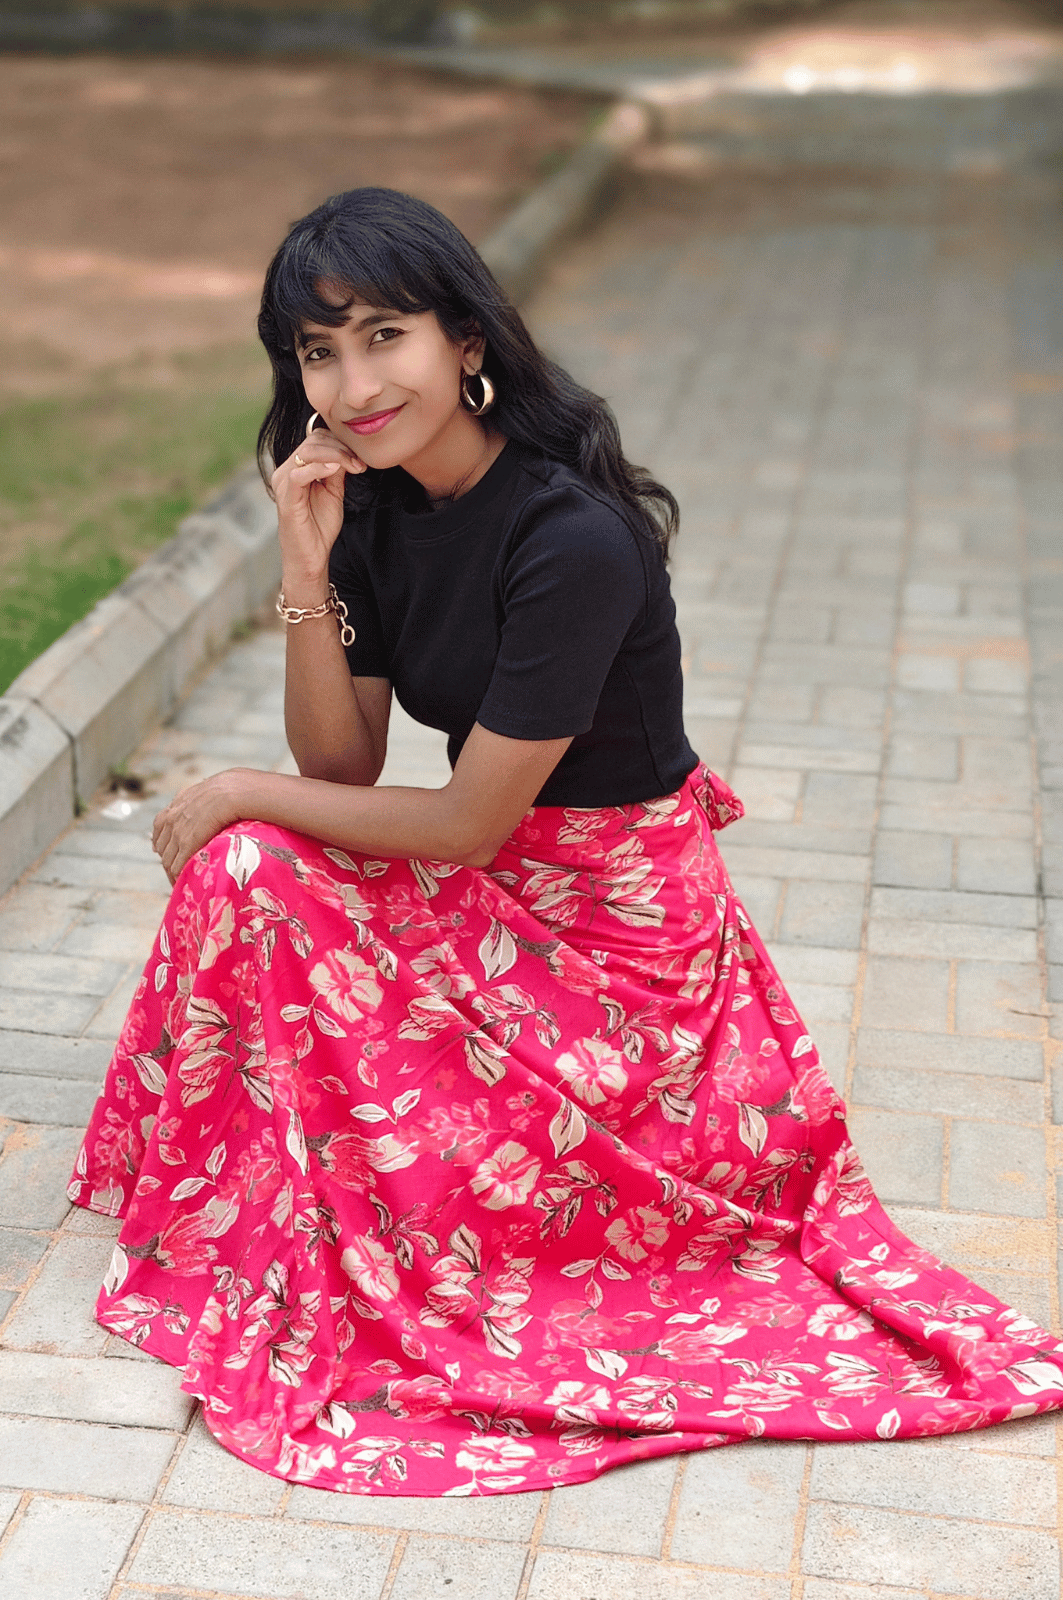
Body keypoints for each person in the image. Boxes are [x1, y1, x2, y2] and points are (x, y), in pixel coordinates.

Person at [69, 188, 1063, 1496]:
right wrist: (305, 569)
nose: (356, 385)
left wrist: (242, 789)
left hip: (624, 964)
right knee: (246, 865)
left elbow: (462, 819)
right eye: (319, 352)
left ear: (467, 341)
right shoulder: (371, 509)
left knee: (254, 846)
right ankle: (276, 1188)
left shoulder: (571, 539)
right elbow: (342, 767)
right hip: (493, 896)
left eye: (384, 336)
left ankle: (414, 1193)